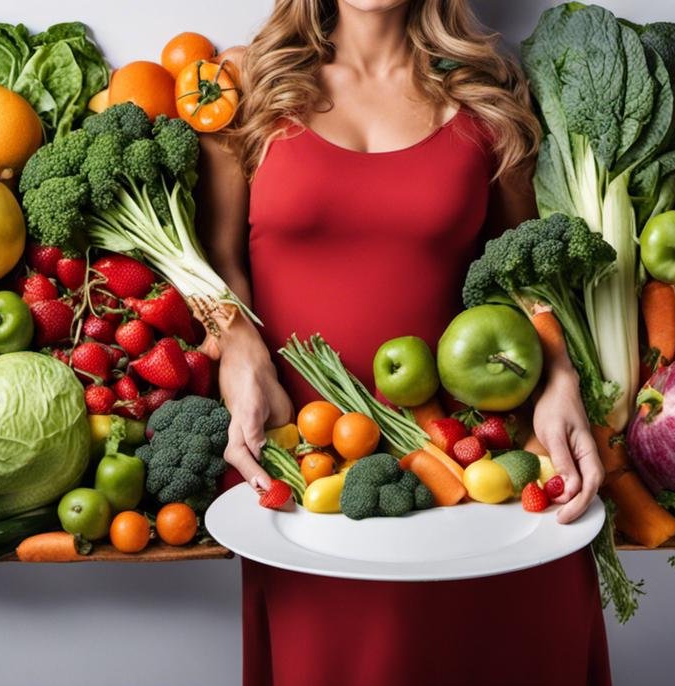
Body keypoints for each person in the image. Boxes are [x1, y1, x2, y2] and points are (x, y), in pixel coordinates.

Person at [199, 1, 610, 684]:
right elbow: (219, 258)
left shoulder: (488, 94)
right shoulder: (252, 82)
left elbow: (526, 272)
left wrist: (560, 377)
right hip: (315, 476)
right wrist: (237, 345)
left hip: (469, 467)